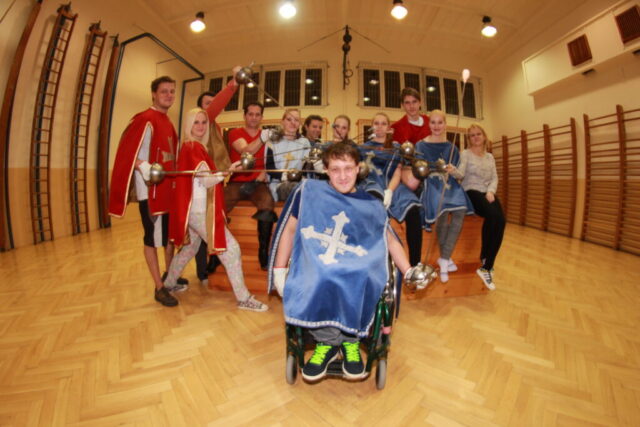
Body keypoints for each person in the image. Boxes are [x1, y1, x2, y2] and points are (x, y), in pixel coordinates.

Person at [269, 142, 420, 382]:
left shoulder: (370, 203)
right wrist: (279, 269)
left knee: (363, 275)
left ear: (358, 168)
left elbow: (390, 239)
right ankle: (328, 343)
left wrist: (409, 270)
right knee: (321, 274)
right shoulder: (309, 192)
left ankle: (350, 341)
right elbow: (289, 229)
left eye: (348, 168)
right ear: (326, 170)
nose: (342, 176)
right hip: (318, 261)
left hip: (357, 263)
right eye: (335, 169)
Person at [165, 108, 268, 311]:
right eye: (196, 122)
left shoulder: (193, 146)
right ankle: (244, 298)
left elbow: (202, 179)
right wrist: (229, 171)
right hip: (199, 210)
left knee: (190, 248)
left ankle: (168, 283)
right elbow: (207, 181)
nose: (201, 126)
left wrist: (228, 170)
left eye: (204, 122)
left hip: (195, 208)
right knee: (231, 249)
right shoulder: (192, 147)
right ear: (188, 125)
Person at [108, 75, 183, 307]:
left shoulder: (167, 121)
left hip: (167, 190)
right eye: (164, 91)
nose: (169, 95)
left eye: (172, 91)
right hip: (150, 192)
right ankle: (159, 288)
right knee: (151, 239)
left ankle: (169, 277)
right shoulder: (144, 119)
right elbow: (128, 153)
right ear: (153, 94)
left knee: (169, 237)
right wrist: (144, 167)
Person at [405, 109, 474, 283]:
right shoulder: (420, 145)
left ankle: (444, 257)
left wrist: (453, 170)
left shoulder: (452, 148)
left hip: (450, 184)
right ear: (429, 124)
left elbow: (459, 175)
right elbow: (417, 170)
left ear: (445, 124)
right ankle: (445, 259)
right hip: (431, 184)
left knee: (460, 210)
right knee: (441, 213)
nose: (436, 126)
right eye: (433, 122)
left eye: (440, 122)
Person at [193, 67, 242, 286]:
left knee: (203, 231)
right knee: (200, 232)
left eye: (212, 104)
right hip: (203, 185)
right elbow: (216, 107)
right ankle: (203, 272)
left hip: (216, 181)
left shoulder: (216, 126)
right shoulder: (204, 122)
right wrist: (234, 83)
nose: (211, 107)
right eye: (207, 104)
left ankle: (207, 267)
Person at [358, 113, 424, 264]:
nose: (379, 127)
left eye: (383, 124)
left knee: (413, 211)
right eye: (376, 123)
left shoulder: (396, 148)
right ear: (372, 126)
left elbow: (397, 172)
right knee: (373, 208)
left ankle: (415, 264)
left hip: (393, 184)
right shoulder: (363, 147)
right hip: (371, 183)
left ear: (388, 128)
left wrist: (390, 191)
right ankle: (373, 261)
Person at [224, 102, 277, 270]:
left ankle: (263, 252)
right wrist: (262, 139)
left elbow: (271, 161)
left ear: (262, 117)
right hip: (236, 181)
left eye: (257, 114)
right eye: (250, 114)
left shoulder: (268, 137)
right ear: (244, 116)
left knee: (267, 203)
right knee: (219, 206)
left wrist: (262, 175)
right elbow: (245, 151)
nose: (254, 117)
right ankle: (216, 253)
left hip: (258, 183)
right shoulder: (235, 133)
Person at [453, 123, 505, 290]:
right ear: (469, 139)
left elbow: (495, 177)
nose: (475, 137)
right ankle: (484, 255)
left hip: (487, 192)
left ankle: (487, 266)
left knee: (501, 221)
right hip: (471, 191)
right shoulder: (466, 154)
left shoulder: (490, 157)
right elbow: (460, 174)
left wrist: (491, 191)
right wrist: (452, 170)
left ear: (484, 136)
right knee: (492, 215)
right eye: (472, 135)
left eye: (478, 134)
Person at [391, 87, 430, 266]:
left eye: (414, 102)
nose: (411, 106)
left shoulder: (430, 122)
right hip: (409, 169)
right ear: (402, 105)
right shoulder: (397, 127)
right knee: (414, 191)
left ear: (420, 102)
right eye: (407, 103)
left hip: (430, 168)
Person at [265, 108, 310, 201]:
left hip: (299, 182)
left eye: (296, 120)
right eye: (289, 119)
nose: (293, 123)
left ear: (300, 123)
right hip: (278, 184)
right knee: (295, 189)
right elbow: (269, 168)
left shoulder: (304, 142)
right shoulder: (272, 141)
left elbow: (306, 168)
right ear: (282, 122)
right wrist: (285, 176)